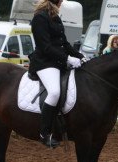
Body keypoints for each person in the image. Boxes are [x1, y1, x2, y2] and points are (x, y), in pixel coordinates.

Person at [28, 0, 85, 148]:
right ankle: (44, 134)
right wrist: (67, 58)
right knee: (54, 92)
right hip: (44, 62)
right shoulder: (40, 17)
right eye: (59, 1)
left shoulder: (55, 17)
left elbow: (64, 44)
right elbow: (44, 46)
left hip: (58, 62)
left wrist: (80, 56)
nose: (61, 4)